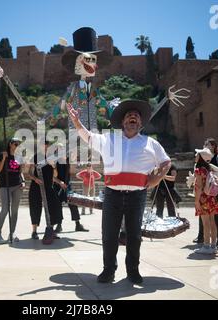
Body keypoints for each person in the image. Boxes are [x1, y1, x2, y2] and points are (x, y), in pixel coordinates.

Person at [67, 99, 171, 284]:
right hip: (112, 194)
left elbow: (166, 162)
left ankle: (133, 271)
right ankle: (109, 270)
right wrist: (77, 122)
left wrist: (157, 178)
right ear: (122, 122)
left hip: (137, 195)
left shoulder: (150, 143)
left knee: (134, 235)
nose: (133, 117)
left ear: (140, 123)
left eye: (136, 116)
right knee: (109, 234)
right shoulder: (109, 139)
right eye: (129, 116)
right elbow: (88, 136)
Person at [27, 141, 63, 241]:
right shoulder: (35, 157)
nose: (46, 146)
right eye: (44, 145)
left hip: (48, 186)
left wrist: (54, 166)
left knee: (55, 206)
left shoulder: (52, 158)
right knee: (35, 207)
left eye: (47, 145)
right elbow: (29, 173)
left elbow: (55, 175)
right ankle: (34, 232)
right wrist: (35, 179)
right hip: (36, 186)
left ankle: (51, 230)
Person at [0, 138, 26, 244]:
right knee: (5, 209)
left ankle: (12, 233)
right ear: (10, 144)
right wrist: (3, 159)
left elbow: (20, 171)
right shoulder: (2, 154)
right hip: (5, 185)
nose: (17, 145)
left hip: (17, 185)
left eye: (18, 144)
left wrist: (23, 181)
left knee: (15, 210)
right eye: (15, 143)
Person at [194, 138, 218, 246]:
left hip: (202, 198)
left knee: (205, 222)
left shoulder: (198, 171)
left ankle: (206, 246)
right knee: (212, 222)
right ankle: (213, 245)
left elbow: (198, 187)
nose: (195, 156)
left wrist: (197, 201)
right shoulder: (208, 169)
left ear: (201, 157)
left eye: (197, 154)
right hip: (210, 198)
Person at [54, 148, 89, 233]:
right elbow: (53, 175)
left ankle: (77, 224)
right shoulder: (55, 163)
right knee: (58, 206)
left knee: (73, 203)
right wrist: (60, 183)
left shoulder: (67, 160)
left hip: (67, 186)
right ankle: (59, 225)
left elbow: (74, 156)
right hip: (58, 186)